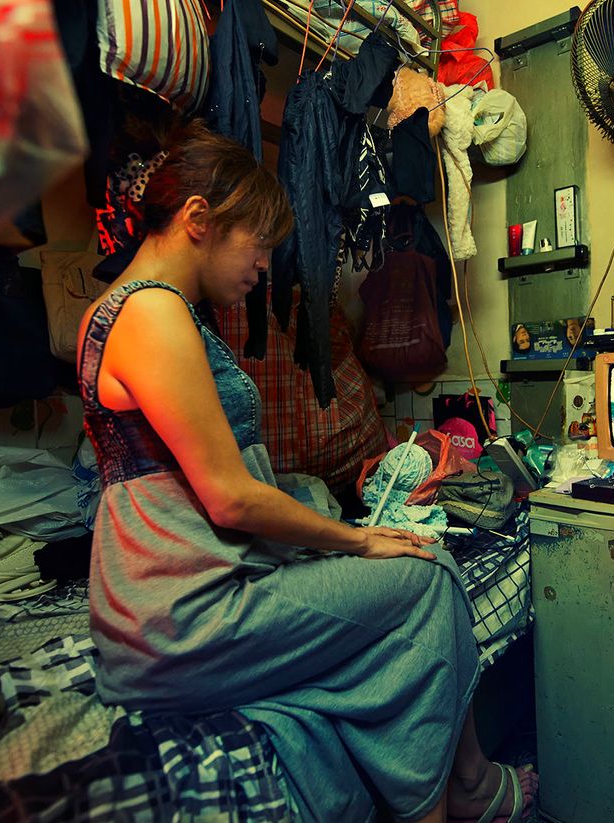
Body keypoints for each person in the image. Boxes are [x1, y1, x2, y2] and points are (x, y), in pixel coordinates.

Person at [76, 122, 537, 823]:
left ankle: (457, 786)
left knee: (411, 590)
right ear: (199, 221)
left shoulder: (124, 313)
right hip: (183, 621)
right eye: (256, 241)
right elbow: (228, 498)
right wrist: (358, 540)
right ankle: (455, 795)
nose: (265, 262)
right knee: (425, 576)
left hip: (169, 608)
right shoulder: (151, 314)